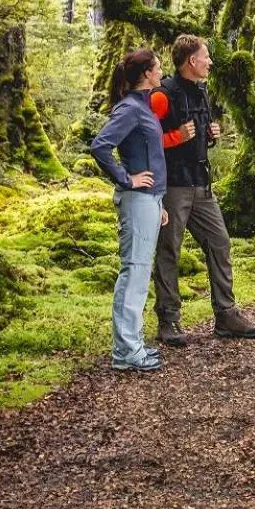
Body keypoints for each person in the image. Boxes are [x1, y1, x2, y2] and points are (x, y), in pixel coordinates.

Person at [149, 34, 255, 346]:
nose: (210, 61)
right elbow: (144, 140)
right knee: (169, 250)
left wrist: (211, 134)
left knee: (220, 243)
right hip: (173, 185)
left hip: (202, 184)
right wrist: (174, 137)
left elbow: (198, 133)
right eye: (206, 56)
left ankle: (226, 315)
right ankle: (169, 320)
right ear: (191, 61)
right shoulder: (163, 95)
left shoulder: (202, 92)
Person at [90, 48, 170, 372]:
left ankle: (132, 343)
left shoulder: (143, 106)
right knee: (134, 271)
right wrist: (127, 179)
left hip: (149, 201)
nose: (162, 71)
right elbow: (100, 146)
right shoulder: (129, 109)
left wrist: (159, 202)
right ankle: (125, 351)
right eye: (158, 67)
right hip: (137, 201)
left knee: (139, 272)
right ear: (147, 74)